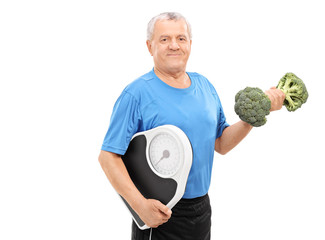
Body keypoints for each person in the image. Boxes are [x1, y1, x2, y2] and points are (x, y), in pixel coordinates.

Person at [98, 12, 285, 240]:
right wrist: (140, 206)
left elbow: (221, 143)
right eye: (164, 39)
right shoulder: (135, 94)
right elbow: (108, 157)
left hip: (201, 210)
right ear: (150, 46)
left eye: (181, 38)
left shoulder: (204, 86)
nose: (174, 45)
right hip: (159, 211)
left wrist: (253, 116)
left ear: (190, 44)